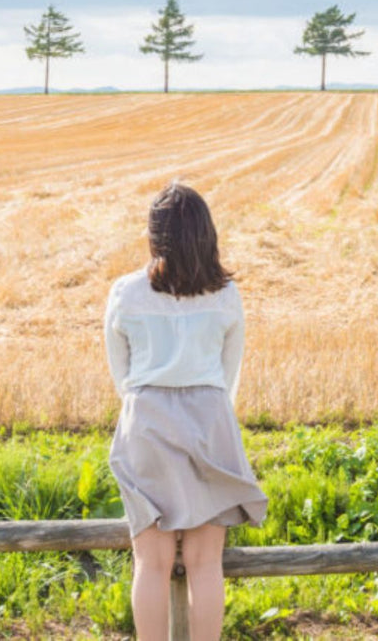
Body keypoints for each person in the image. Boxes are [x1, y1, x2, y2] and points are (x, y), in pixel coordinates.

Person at [105, 182, 267, 641]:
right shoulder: (226, 294)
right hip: (209, 421)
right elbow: (228, 376)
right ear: (205, 234)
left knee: (150, 563)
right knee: (204, 562)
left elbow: (122, 376)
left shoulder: (125, 292)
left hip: (146, 422)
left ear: (154, 235)